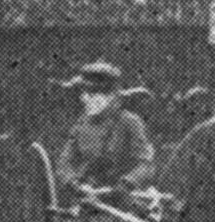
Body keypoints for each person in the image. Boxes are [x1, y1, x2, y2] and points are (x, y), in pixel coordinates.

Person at [59, 61, 155, 200]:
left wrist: (127, 184)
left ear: (111, 97)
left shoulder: (129, 122)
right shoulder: (81, 124)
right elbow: (65, 161)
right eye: (84, 94)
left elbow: (146, 165)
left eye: (93, 95)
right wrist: (73, 183)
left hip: (128, 199)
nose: (86, 99)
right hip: (91, 200)